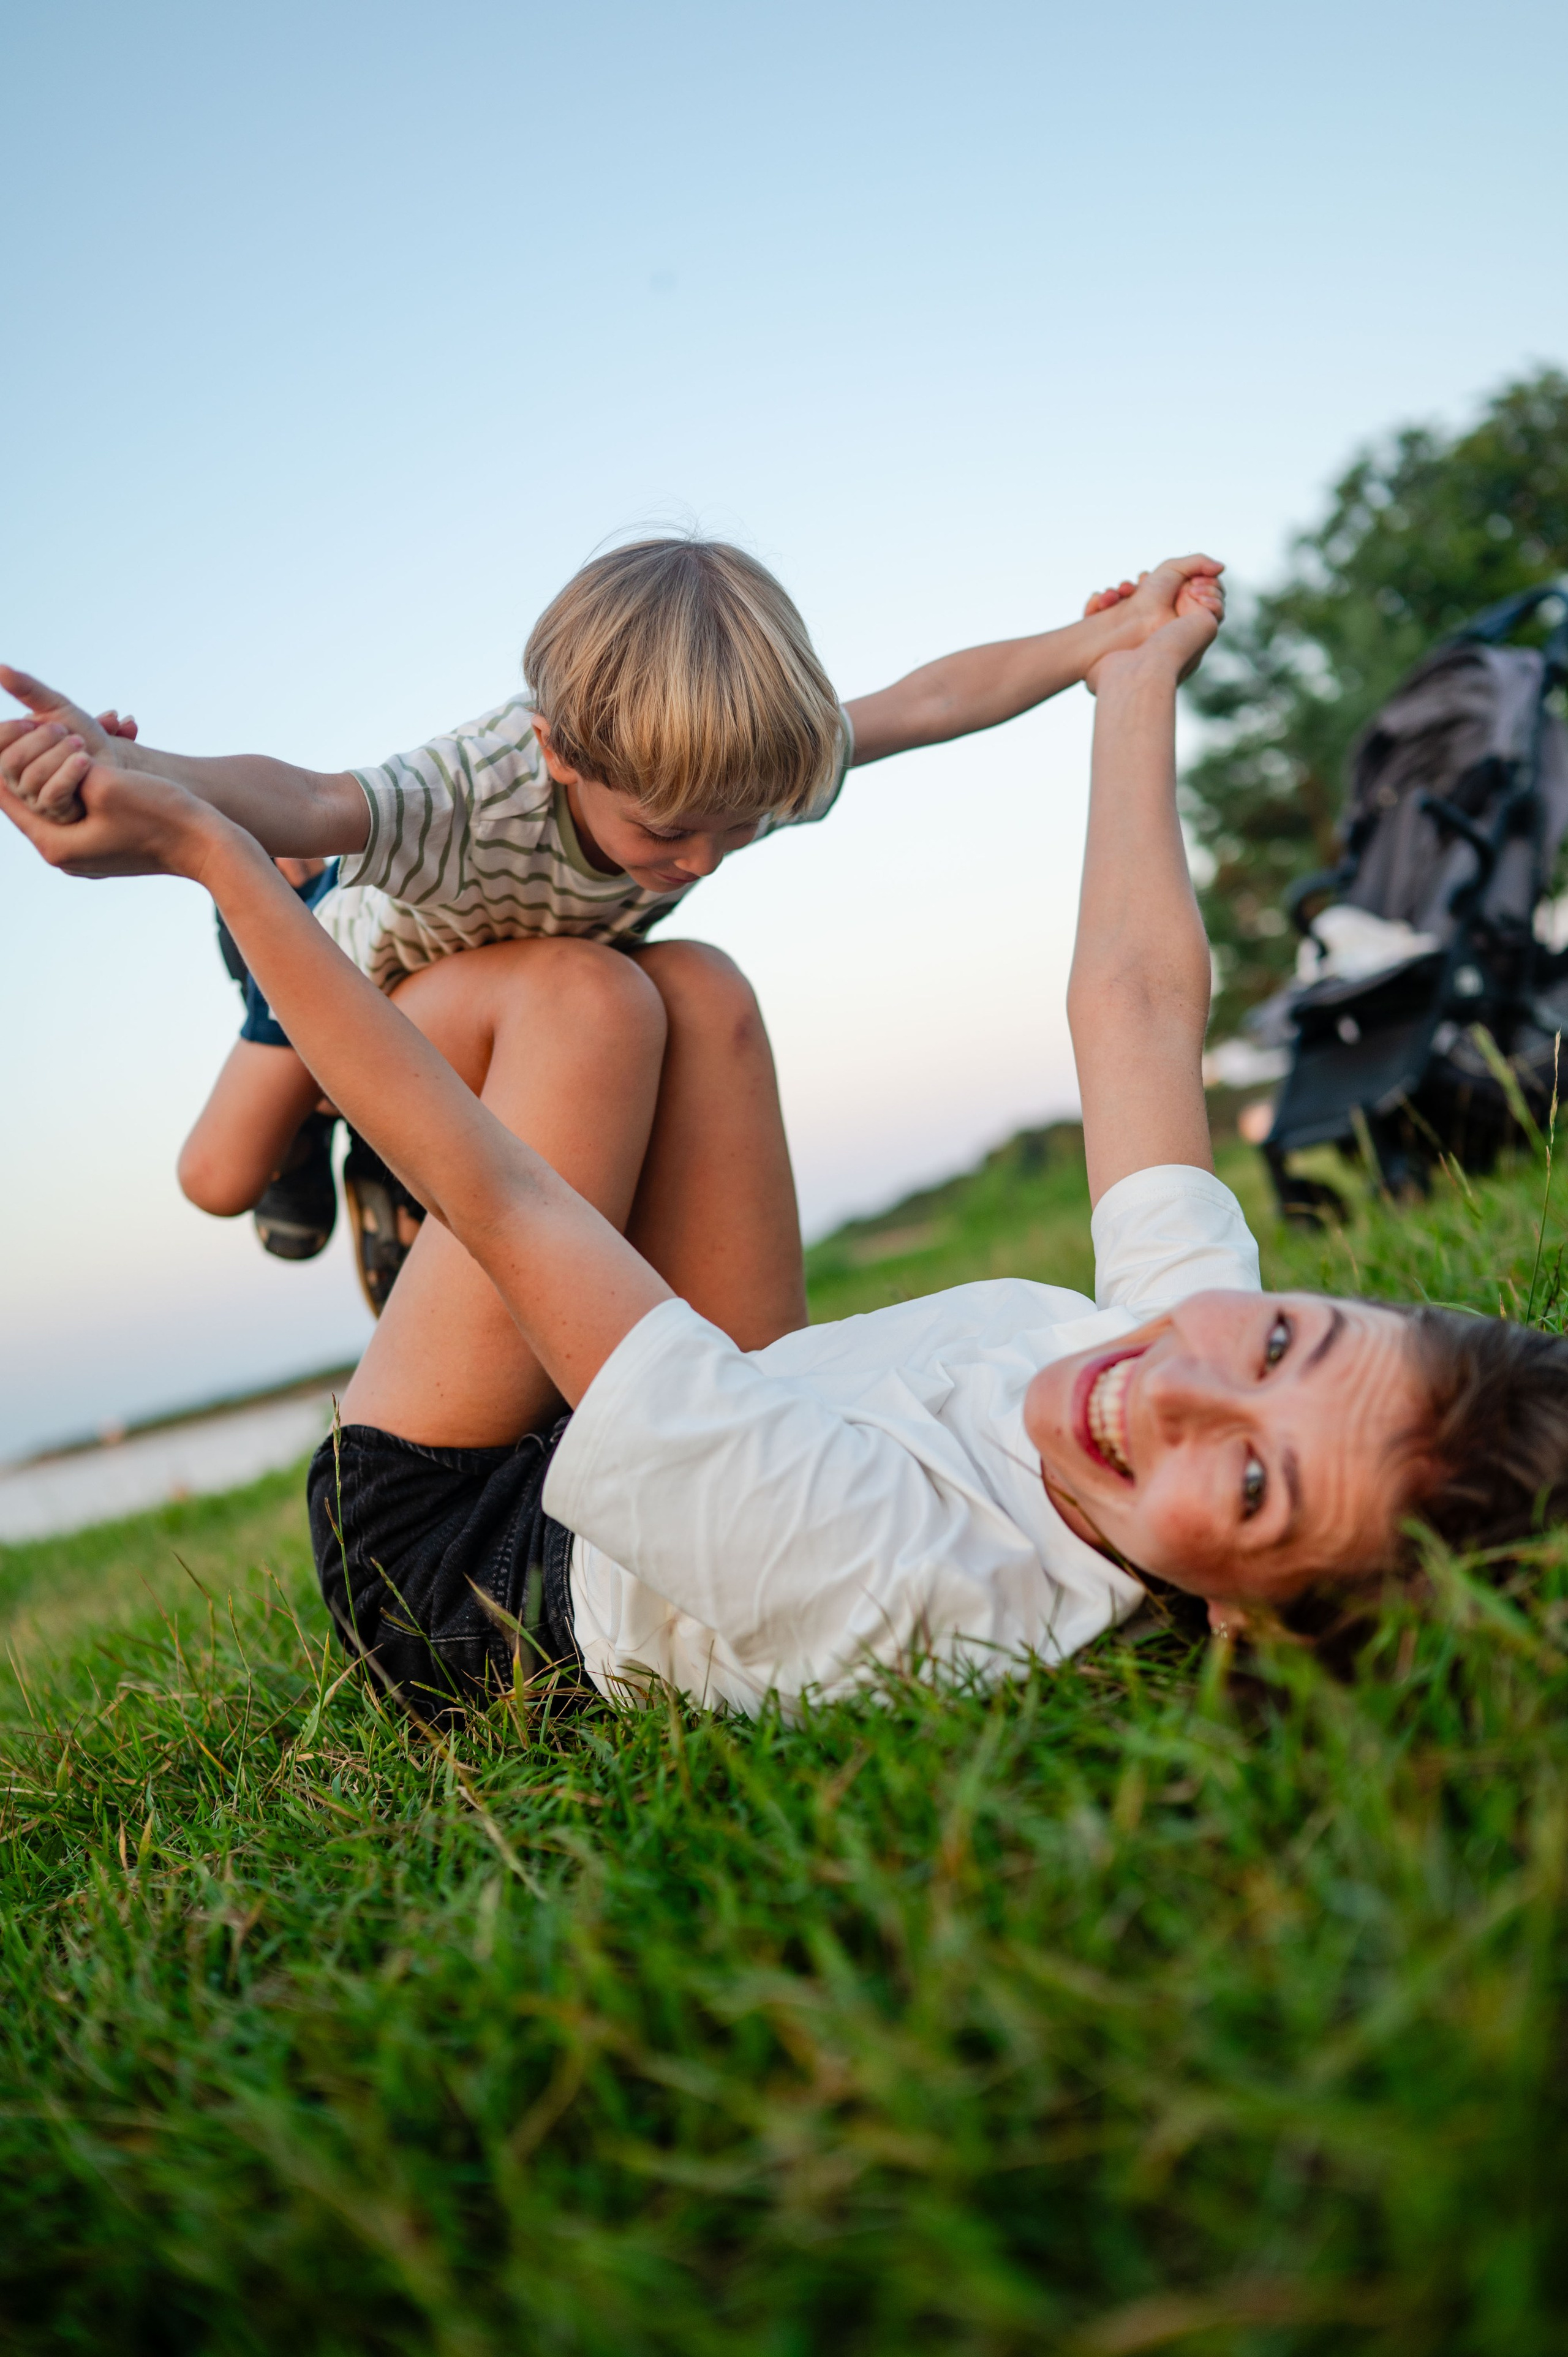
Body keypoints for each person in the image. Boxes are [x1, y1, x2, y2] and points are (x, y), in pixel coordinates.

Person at [6, 590, 1560, 1723]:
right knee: (694, 985)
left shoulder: (907, 1580)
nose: (1177, 1384)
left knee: (591, 1001)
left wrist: (212, 858)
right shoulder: (1180, 1339)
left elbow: (511, 1197)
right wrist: (1132, 674)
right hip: (754, 1410)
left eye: (1249, 1478)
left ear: (1244, 1629)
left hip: (459, 1549)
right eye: (1284, 1338)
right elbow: (1140, 1007)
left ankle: (382, 1224)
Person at [0, 539, 1219, 1307]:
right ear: (559, 754)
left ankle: (382, 1159)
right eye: (666, 834)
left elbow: (924, 700)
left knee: (611, 1005)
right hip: (360, 965)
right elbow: (310, 796)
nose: (700, 860)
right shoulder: (468, 791)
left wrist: (1104, 640)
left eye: (734, 831)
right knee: (218, 1178)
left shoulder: (734, 767)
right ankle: (327, 1138)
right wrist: (128, 764)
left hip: (515, 984)